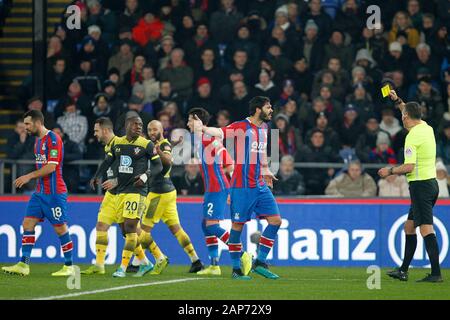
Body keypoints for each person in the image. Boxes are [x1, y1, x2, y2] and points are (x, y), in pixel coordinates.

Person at [192, 96, 282, 280]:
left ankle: (260, 262)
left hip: (260, 185)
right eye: (268, 107)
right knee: (237, 228)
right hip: (241, 187)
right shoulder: (241, 127)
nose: (271, 110)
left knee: (276, 221)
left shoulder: (264, 129)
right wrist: (202, 128)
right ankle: (236, 269)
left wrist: (266, 171)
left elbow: (262, 153)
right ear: (258, 109)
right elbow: (220, 132)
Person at [380, 89, 442, 282]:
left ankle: (436, 274)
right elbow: (407, 111)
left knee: (425, 229)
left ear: (407, 116)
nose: (402, 118)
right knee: (409, 227)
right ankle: (403, 270)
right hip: (430, 184)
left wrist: (388, 171)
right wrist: (398, 100)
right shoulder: (426, 127)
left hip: (421, 186)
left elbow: (409, 166)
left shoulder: (412, 136)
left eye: (403, 116)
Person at [2, 110, 74, 277]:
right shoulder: (37, 142)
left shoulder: (54, 139)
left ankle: (69, 266)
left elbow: (51, 167)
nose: (25, 127)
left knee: (60, 229)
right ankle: (23, 264)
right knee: (27, 224)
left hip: (54, 193)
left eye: (27, 124)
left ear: (37, 122)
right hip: (39, 193)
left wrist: (28, 176)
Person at [92, 115, 162, 278]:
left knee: (130, 228)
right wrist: (97, 175)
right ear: (127, 125)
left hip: (137, 191)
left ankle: (122, 268)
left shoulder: (146, 144)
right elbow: (109, 161)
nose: (139, 127)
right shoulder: (118, 143)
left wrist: (145, 176)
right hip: (120, 192)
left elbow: (158, 165)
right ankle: (146, 263)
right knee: (125, 229)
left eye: (141, 125)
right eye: (136, 124)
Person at [187, 108, 251, 276]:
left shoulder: (209, 140)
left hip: (219, 188)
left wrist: (232, 191)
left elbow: (230, 164)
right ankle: (215, 265)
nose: (187, 124)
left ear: (199, 122)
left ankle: (242, 253)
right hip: (211, 189)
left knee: (212, 226)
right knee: (205, 225)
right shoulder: (200, 141)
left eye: (190, 120)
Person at [139, 121, 204, 275]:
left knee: (143, 230)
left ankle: (145, 261)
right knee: (176, 228)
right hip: (167, 193)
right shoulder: (161, 144)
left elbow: (167, 160)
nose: (151, 131)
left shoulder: (161, 146)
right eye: (149, 129)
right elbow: (167, 147)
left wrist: (159, 151)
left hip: (158, 194)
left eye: (155, 129)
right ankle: (196, 260)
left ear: (162, 130)